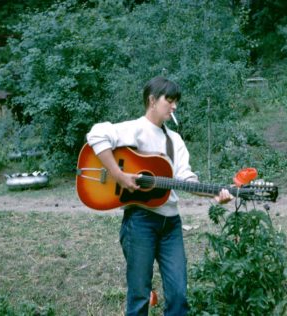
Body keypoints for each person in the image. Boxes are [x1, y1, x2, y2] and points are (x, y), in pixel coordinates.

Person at [86, 76, 232, 316]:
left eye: (176, 101)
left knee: (178, 295)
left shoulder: (174, 140)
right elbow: (96, 135)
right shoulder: (134, 129)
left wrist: (215, 194)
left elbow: (186, 179)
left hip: (171, 225)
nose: (174, 106)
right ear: (152, 100)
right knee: (139, 296)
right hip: (140, 222)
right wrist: (119, 175)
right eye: (170, 100)